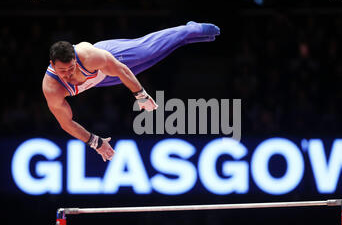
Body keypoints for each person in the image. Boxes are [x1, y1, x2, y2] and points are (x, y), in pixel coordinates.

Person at [42, 21, 220, 161]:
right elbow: (66, 123)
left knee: (149, 50)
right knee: (154, 59)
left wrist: (141, 95)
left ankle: (190, 30)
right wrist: (95, 143)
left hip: (112, 60)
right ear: (52, 65)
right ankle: (187, 36)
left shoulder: (90, 56)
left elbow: (122, 71)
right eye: (62, 71)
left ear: (75, 58)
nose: (67, 75)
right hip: (102, 80)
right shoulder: (52, 89)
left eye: (71, 68)